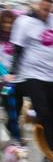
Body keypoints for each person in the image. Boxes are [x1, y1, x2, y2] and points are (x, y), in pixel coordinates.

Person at [10, 0, 53, 162]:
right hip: (34, 75)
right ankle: (48, 152)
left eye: (48, 9)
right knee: (43, 113)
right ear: (36, 5)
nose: (45, 12)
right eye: (42, 8)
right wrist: (13, 73)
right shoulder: (24, 22)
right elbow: (18, 49)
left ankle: (52, 146)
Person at [0, 9, 27, 143]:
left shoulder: (17, 37)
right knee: (10, 106)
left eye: (10, 22)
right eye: (5, 22)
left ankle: (12, 127)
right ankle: (16, 137)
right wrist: (5, 75)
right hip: (4, 80)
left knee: (19, 106)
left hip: (18, 78)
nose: (8, 25)